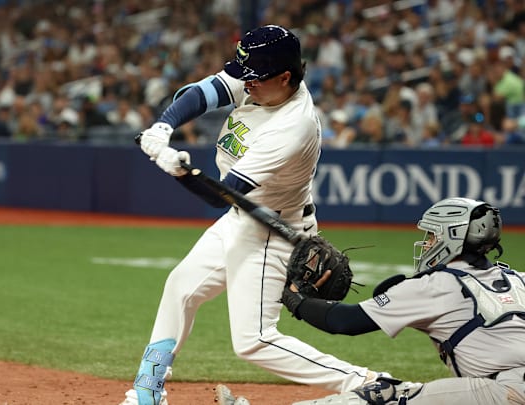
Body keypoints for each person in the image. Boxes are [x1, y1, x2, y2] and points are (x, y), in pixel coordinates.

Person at [120, 25, 389, 405]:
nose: (245, 84)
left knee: (254, 341)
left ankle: (370, 381)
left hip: (270, 227)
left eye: (255, 79)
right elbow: (203, 92)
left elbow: (223, 195)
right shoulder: (263, 79)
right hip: (242, 217)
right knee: (181, 287)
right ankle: (148, 392)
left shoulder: (291, 126)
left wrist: (177, 169)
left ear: (285, 76)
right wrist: (164, 125)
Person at [222, 197, 525, 405]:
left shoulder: (436, 285)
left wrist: (294, 299)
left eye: (433, 235)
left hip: (505, 392)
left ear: (453, 236)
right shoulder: (519, 278)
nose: (428, 243)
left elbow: (344, 322)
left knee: (386, 395)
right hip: (504, 389)